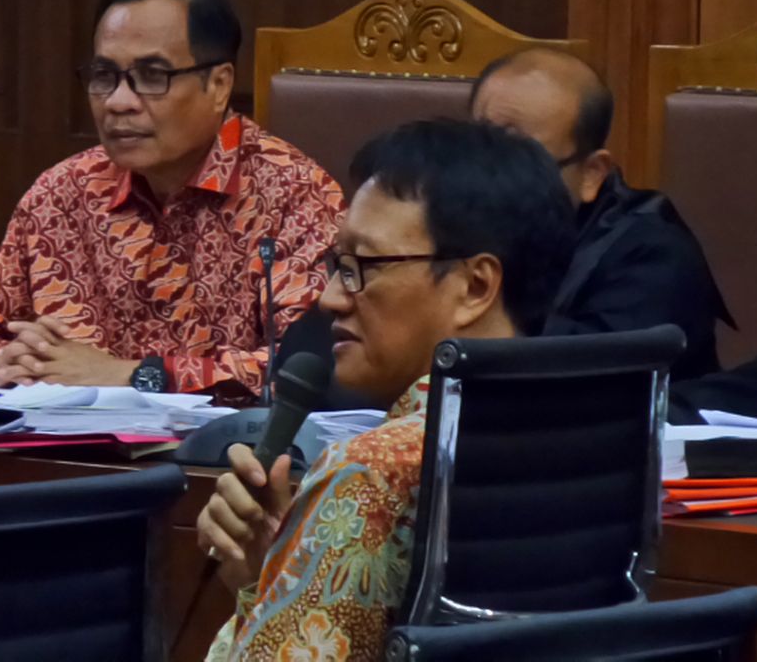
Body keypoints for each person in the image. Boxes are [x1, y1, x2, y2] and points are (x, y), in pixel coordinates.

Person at [197, 119, 576, 660]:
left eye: (363, 267)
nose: (330, 297)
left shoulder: (372, 472)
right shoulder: (593, 436)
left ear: (475, 286)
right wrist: (278, 572)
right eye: (337, 265)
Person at [0, 0, 344, 404]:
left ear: (218, 85)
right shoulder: (61, 192)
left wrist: (133, 375)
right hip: (60, 439)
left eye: (152, 76)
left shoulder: (295, 194)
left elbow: (308, 368)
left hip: (221, 446)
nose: (119, 101)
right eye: (104, 75)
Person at [470, 48, 732, 381]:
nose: (487, 180)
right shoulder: (440, 220)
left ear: (591, 173)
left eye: (520, 162)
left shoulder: (654, 256)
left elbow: (590, 381)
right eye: (477, 150)